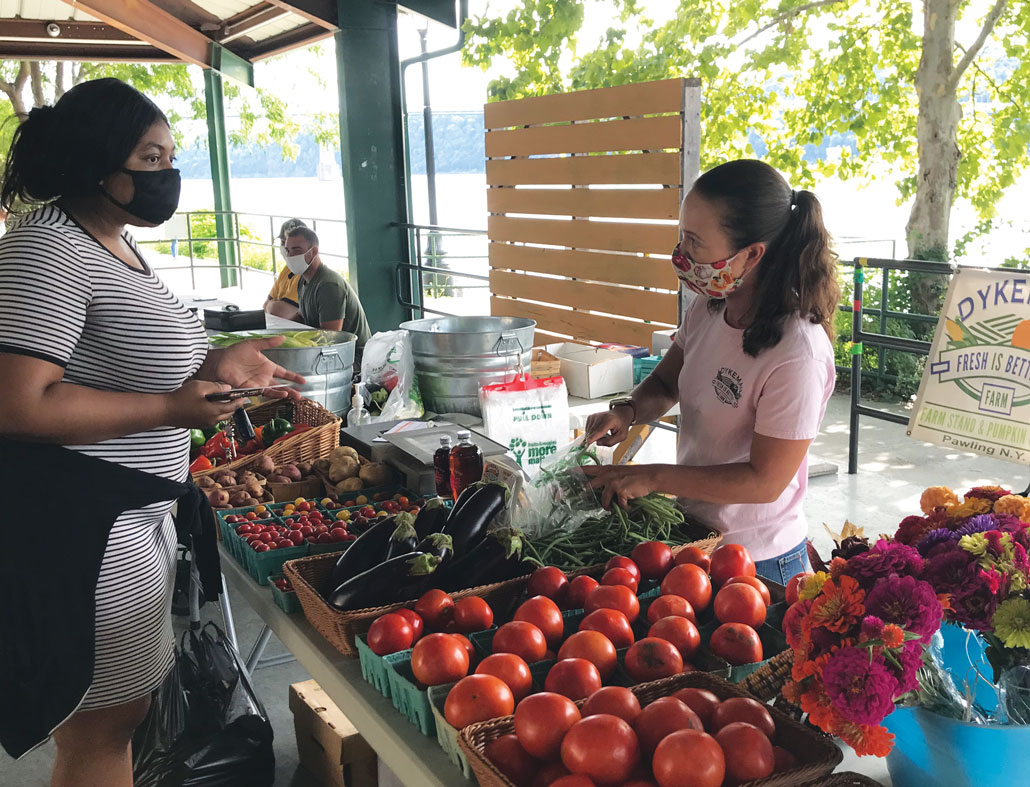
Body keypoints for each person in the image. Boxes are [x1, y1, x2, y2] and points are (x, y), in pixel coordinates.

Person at [0, 78, 303, 786]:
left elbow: (120, 366)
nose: (167, 173)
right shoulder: (46, 250)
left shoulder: (109, 241)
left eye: (170, 155)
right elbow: (20, 402)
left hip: (132, 520)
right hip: (84, 532)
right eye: (150, 156)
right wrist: (170, 411)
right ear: (96, 161)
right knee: (102, 732)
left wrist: (216, 364)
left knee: (118, 723)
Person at [583, 159, 840, 585]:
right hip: (696, 539)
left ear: (752, 254)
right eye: (682, 237)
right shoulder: (709, 307)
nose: (681, 255)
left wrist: (652, 476)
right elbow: (666, 383)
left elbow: (765, 482)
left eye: (695, 243)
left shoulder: (798, 353)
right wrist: (626, 412)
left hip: (760, 562)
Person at [284, 225, 371, 346]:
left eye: (297, 250)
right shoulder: (302, 281)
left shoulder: (329, 285)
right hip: (328, 353)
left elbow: (330, 338)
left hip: (351, 357)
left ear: (314, 252)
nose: (290, 256)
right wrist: (281, 335)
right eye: (287, 251)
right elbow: (302, 317)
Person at [263, 217, 306, 320]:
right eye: (283, 243)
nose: (287, 249)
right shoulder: (287, 269)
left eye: (292, 245)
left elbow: (280, 312)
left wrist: (273, 304)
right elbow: (265, 305)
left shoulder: (304, 273)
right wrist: (273, 305)